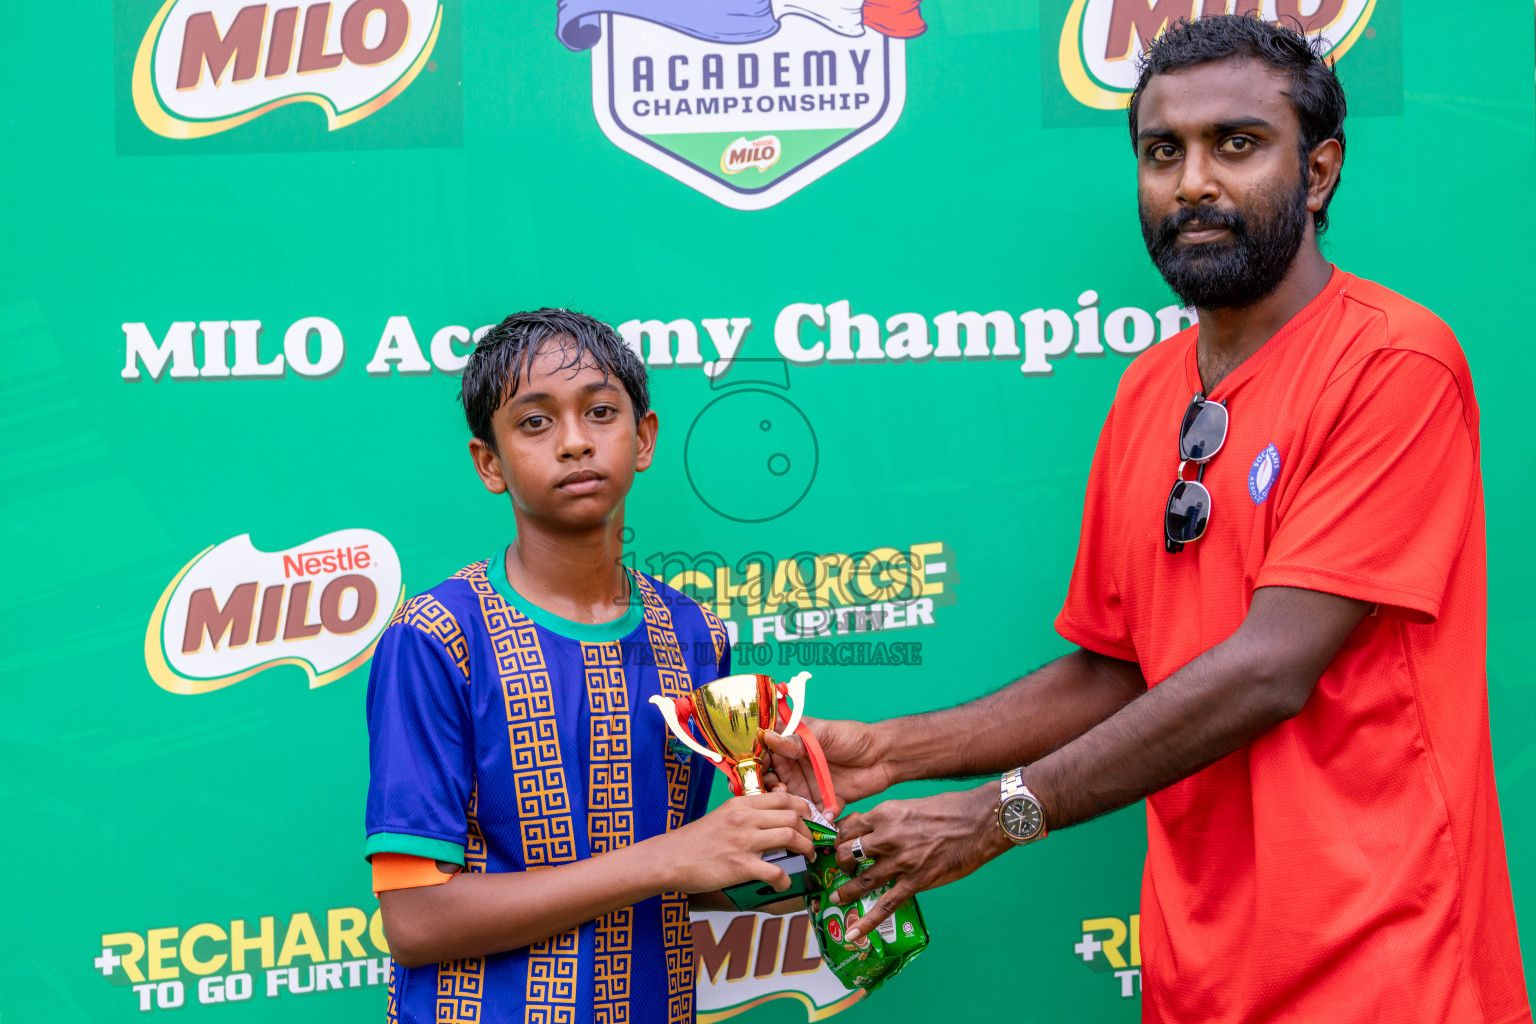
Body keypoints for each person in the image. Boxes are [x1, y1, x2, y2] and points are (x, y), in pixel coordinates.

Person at [765, 16, 1531, 1023]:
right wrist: (891, 750)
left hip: (1386, 964)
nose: (1194, 182)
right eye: (1162, 151)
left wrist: (1000, 814)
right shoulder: (1145, 394)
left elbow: (1270, 666)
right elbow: (1122, 665)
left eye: (1238, 144)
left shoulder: (1393, 364)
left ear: (1320, 170)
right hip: (1197, 976)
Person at [363, 309, 815, 1024]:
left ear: (643, 439)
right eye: (535, 423)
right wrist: (673, 857)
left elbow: (688, 874)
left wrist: (798, 848)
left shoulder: (696, 636)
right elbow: (417, 922)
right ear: (490, 462)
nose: (575, 441)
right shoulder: (440, 636)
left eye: (601, 412)